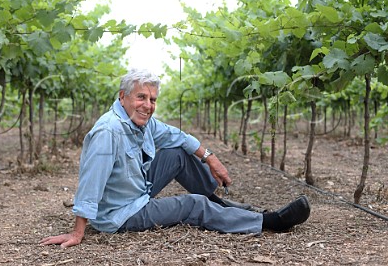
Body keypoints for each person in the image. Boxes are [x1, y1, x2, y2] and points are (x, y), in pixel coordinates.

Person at [40, 68, 310, 248]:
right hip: (121, 213)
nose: (148, 105)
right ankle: (269, 222)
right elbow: (91, 181)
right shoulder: (108, 132)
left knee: (179, 153)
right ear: (122, 97)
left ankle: (220, 204)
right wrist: (78, 232)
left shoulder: (141, 122)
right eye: (141, 97)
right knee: (193, 205)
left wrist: (211, 158)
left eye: (152, 99)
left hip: (136, 188)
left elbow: (178, 136)